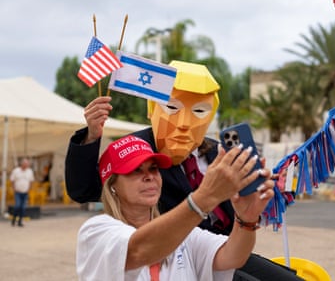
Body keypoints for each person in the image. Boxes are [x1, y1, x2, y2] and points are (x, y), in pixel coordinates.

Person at [66, 60, 303, 280]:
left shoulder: (219, 152)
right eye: (172, 107)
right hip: (169, 249)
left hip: (214, 248)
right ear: (153, 110)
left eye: (199, 111)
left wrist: (252, 207)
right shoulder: (136, 149)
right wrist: (91, 135)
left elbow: (233, 248)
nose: (183, 124)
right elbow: (84, 189)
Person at [77, 135, 274, 280]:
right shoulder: (96, 231)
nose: (149, 176)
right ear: (112, 186)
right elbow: (139, 250)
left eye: (153, 168)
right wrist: (206, 196)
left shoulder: (181, 233)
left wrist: (246, 219)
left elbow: (233, 256)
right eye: (135, 171)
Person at [10, 158, 35, 227]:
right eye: (25, 164)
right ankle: (14, 219)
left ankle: (20, 221)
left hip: (25, 192)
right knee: (17, 206)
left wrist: (29, 189)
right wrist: (14, 188)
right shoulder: (16, 171)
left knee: (23, 207)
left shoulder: (30, 171)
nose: (26, 165)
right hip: (18, 192)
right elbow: (12, 180)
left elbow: (31, 181)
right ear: (22, 164)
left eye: (27, 164)